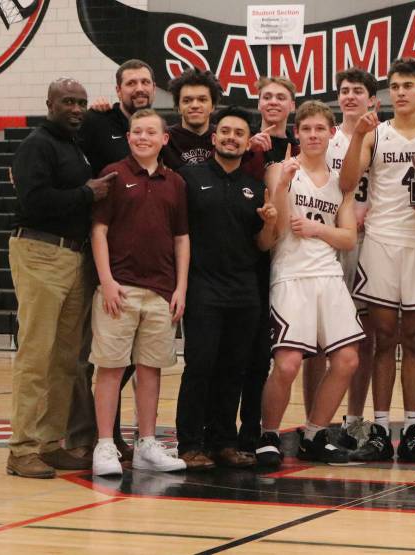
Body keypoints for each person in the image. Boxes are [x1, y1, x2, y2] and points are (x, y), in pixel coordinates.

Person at [339, 57, 415, 462]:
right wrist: (358, 138)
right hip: (381, 244)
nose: (401, 92)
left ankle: (412, 429)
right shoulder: (377, 134)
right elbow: (346, 184)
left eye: (408, 85)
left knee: (413, 340)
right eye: (395, 86)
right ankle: (378, 429)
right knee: (382, 340)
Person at [7, 78, 111, 478]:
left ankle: (49, 443)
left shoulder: (74, 146)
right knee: (36, 355)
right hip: (39, 250)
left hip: (74, 255)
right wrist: (87, 194)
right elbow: (33, 200)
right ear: (49, 102)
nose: (76, 108)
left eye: (81, 102)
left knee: (66, 358)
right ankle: (22, 449)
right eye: (68, 101)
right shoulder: (37, 144)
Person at [255, 101, 364, 469]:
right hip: (290, 274)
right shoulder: (278, 170)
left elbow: (349, 238)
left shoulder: (340, 181)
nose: (314, 135)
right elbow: (280, 228)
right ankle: (268, 434)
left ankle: (315, 433)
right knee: (286, 365)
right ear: (297, 133)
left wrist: (319, 229)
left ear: (332, 133)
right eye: (307, 129)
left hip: (328, 275)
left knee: (347, 359)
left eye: (321, 129)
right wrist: (283, 185)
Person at [174, 107, 278, 471]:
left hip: (244, 290)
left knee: (234, 369)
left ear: (248, 142)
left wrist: (269, 224)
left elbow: (264, 244)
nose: (232, 138)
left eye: (239, 134)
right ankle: (189, 443)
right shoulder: (188, 178)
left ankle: (223, 441)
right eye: (226, 132)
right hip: (203, 287)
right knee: (200, 366)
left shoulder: (255, 185)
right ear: (214, 138)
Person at [89, 109, 190, 476]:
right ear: (129, 137)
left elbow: (181, 237)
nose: (143, 137)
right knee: (111, 367)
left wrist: (180, 287)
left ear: (165, 139)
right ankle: (104, 445)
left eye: (151, 132)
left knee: (151, 369)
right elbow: (98, 231)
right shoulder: (113, 175)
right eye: (136, 131)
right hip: (120, 288)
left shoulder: (175, 182)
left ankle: (146, 443)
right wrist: (107, 281)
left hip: (161, 291)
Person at [70, 58, 159, 462]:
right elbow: (70, 164)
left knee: (127, 358)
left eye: (145, 81)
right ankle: (90, 435)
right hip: (103, 258)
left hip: (145, 267)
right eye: (131, 82)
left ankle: (118, 435)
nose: (139, 87)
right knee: (100, 354)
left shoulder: (160, 133)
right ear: (118, 89)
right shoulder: (95, 123)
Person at [236, 75, 300, 454]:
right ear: (259, 104)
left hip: (290, 258)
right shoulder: (243, 142)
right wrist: (248, 152)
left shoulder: (303, 145)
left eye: (281, 97)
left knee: (269, 355)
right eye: (267, 97)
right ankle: (232, 432)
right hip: (251, 253)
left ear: (292, 105)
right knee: (244, 350)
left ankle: (258, 430)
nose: (274, 102)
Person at [321, 68, 379, 451]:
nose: (350, 96)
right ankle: (316, 418)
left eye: (358, 91)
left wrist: (371, 211)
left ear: (372, 99)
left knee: (365, 335)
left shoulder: (382, 135)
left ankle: (356, 418)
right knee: (319, 336)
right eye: (344, 91)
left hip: (369, 241)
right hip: (328, 241)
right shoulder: (324, 136)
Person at [162, 68, 221, 169]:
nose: (194, 105)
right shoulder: (164, 140)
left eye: (202, 99)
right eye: (187, 100)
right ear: (178, 107)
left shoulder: (224, 137)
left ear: (213, 106)